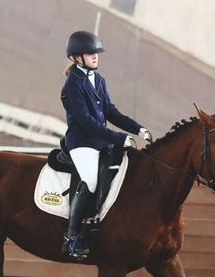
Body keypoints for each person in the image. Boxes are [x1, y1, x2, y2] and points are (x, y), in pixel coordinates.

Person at [60, 30, 151, 260]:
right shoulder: (72, 85)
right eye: (90, 53)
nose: (95, 56)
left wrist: (138, 129)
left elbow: (111, 112)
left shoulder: (99, 80)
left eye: (97, 53)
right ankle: (72, 236)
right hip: (81, 143)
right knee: (90, 181)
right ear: (77, 57)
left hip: (100, 141)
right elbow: (87, 123)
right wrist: (119, 138)